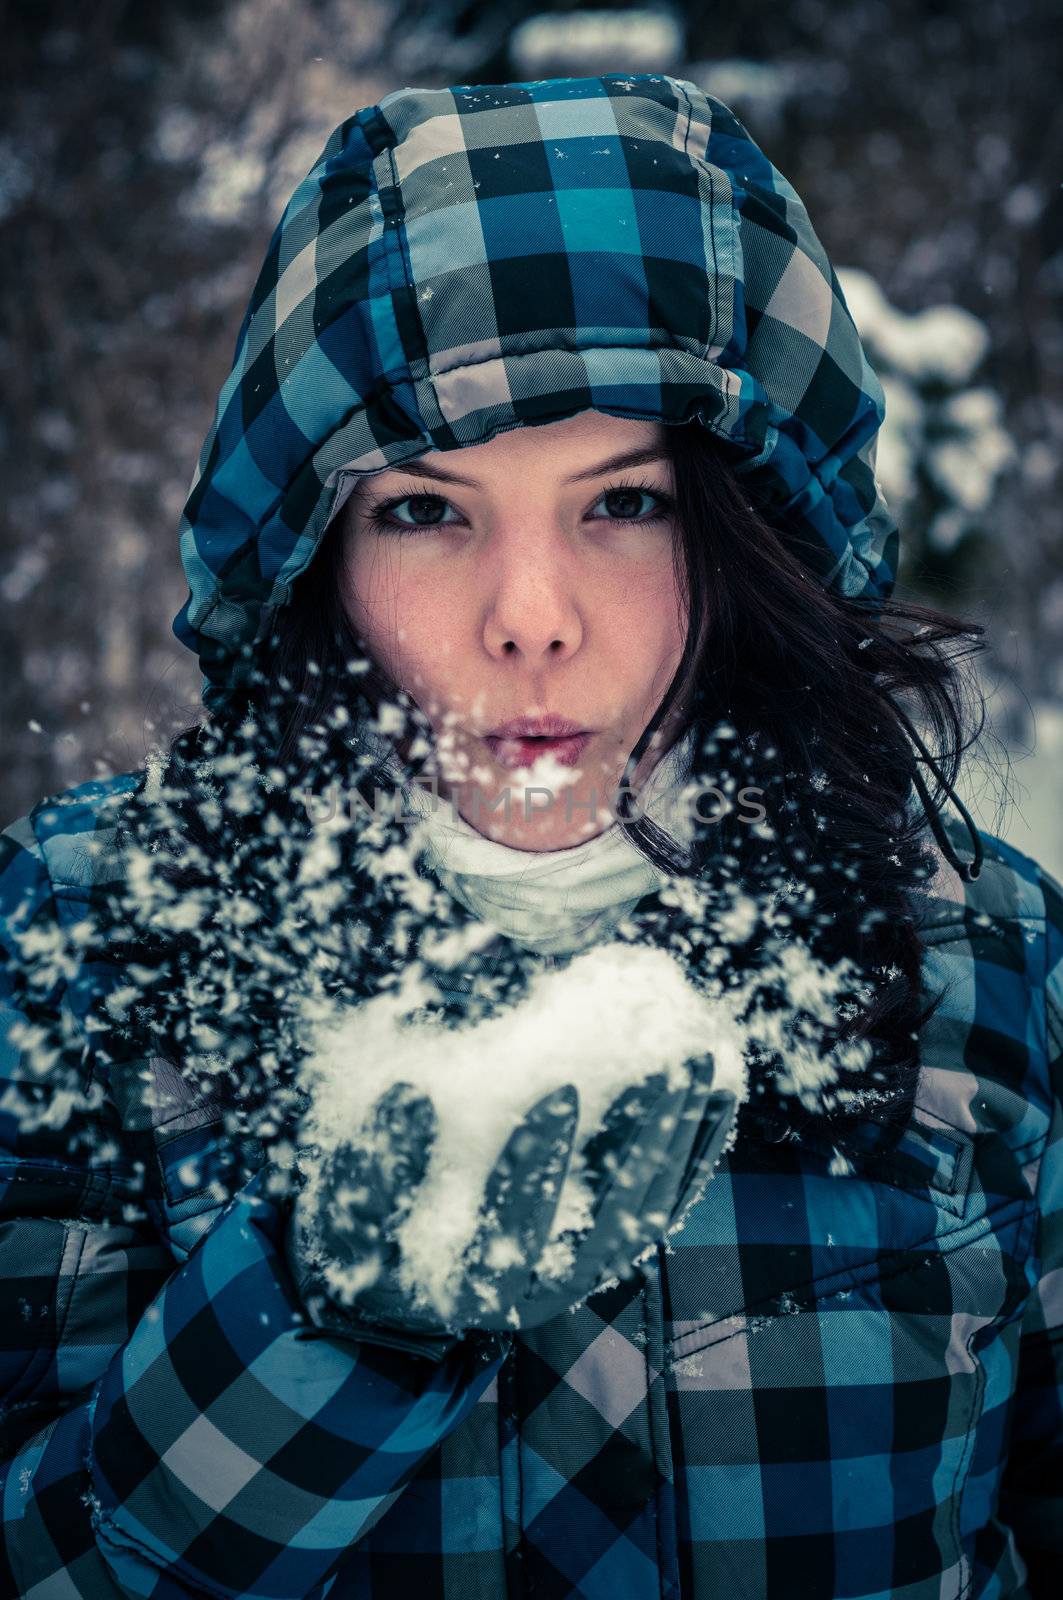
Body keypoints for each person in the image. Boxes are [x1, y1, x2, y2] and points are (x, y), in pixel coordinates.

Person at [0, 70, 1060, 1600]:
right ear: (309, 551)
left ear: (754, 523)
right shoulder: (86, 941)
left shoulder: (988, 965)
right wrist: (324, 1320)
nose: (532, 620)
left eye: (622, 503)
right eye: (425, 512)